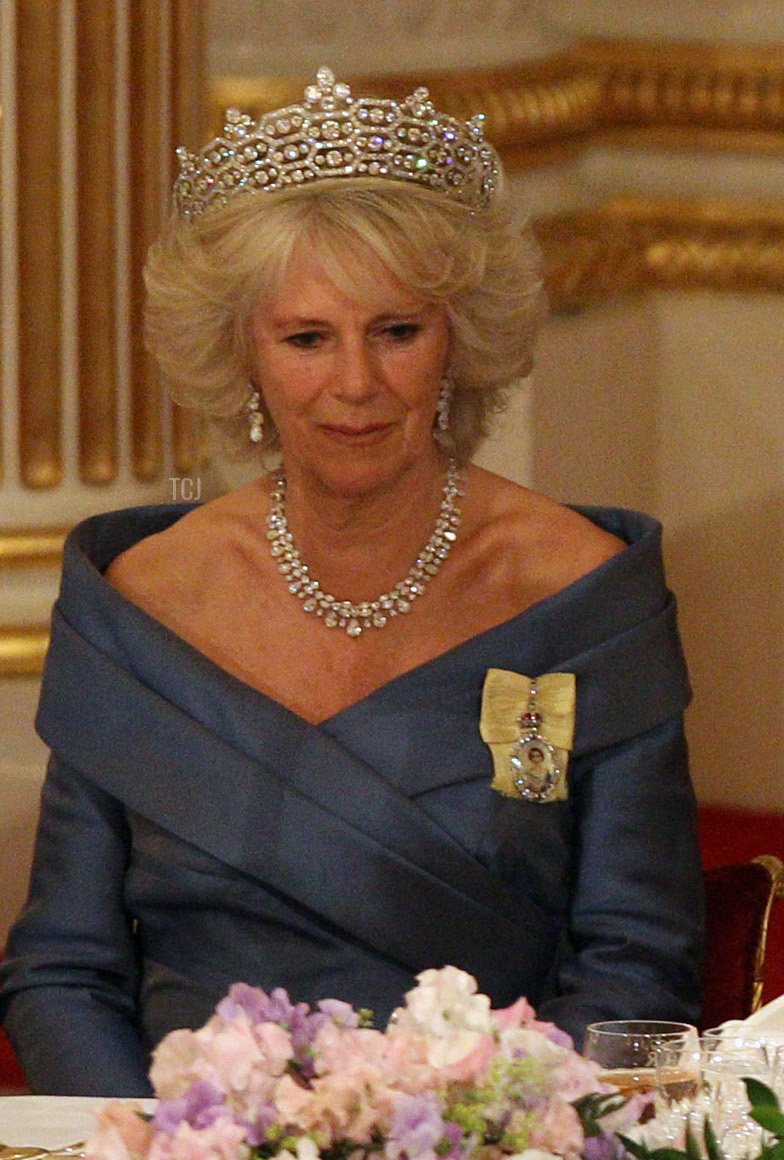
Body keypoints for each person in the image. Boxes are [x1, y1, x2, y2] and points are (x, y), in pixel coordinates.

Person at [0, 68, 704, 1096]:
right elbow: (63, 969)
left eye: (396, 331)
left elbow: (637, 959)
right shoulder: (144, 600)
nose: (356, 384)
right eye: (305, 338)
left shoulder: (580, 595)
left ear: (457, 340)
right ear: (241, 352)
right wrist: (157, 1141)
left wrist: (490, 1134)